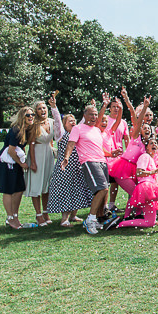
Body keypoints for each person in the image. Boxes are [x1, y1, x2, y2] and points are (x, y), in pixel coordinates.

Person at [62, 95, 126, 234]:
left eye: (95, 115)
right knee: (102, 189)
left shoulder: (97, 130)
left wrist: (111, 153)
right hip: (89, 162)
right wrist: (66, 157)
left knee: (104, 192)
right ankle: (90, 220)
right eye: (91, 115)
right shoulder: (78, 128)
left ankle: (97, 218)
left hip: (102, 161)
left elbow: (99, 148)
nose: (94, 117)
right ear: (84, 115)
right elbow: (71, 143)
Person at [110, 135, 158, 231]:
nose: (154, 144)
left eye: (155, 143)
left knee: (149, 222)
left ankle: (120, 223)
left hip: (146, 192)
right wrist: (155, 171)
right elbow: (139, 173)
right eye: (151, 143)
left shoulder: (151, 159)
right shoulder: (145, 156)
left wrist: (157, 168)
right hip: (146, 188)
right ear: (146, 147)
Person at [46, 100, 93, 227]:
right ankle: (64, 219)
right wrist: (54, 107)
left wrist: (91, 108)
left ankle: (73, 215)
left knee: (77, 190)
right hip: (64, 168)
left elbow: (84, 121)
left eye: (74, 120)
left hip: (77, 167)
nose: (73, 122)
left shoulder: (77, 132)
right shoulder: (61, 134)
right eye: (69, 121)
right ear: (64, 124)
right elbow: (56, 120)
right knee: (66, 192)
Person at [0, 106, 38, 229]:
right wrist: (21, 163)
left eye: (32, 115)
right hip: (7, 162)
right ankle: (10, 218)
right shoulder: (16, 130)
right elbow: (11, 150)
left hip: (16, 162)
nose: (31, 117)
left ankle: (15, 216)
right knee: (8, 190)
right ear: (22, 117)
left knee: (19, 189)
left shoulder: (26, 130)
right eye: (28, 115)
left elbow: (21, 147)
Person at [25, 100, 59, 226]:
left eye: (44, 108)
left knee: (47, 185)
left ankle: (46, 212)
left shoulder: (51, 121)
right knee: (37, 184)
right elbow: (32, 145)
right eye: (39, 108)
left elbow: (51, 140)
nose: (42, 110)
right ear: (36, 111)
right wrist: (33, 162)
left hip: (48, 155)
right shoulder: (34, 124)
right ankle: (38, 214)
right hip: (37, 154)